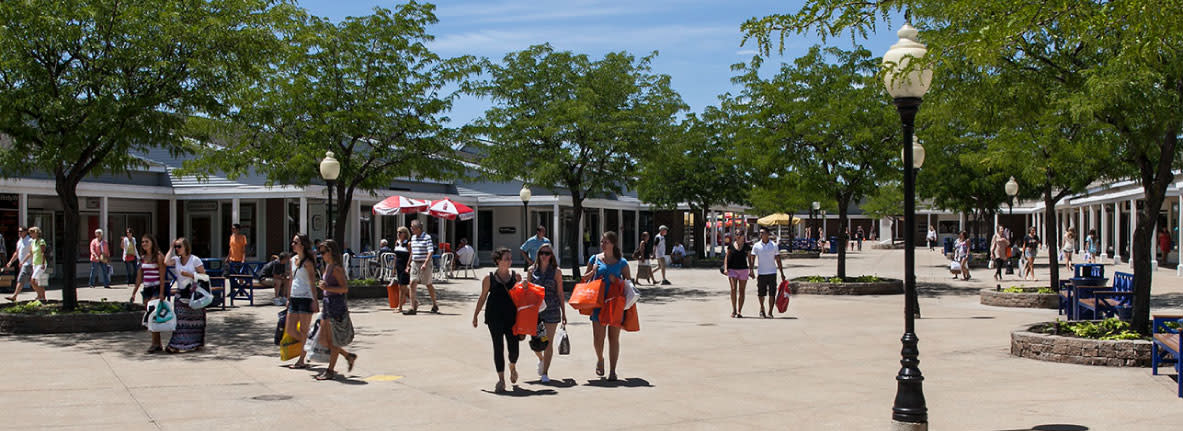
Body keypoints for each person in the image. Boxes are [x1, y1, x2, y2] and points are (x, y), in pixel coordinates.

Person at [581, 231, 632, 381]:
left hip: (616, 305)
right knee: (598, 338)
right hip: (598, 303)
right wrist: (593, 271)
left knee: (613, 338)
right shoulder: (595, 259)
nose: (603, 244)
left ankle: (613, 371)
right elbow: (584, 279)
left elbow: (630, 285)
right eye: (602, 241)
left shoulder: (622, 262)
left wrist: (616, 281)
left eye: (606, 242)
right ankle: (600, 359)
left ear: (613, 244)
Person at [472, 248, 521, 392]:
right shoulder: (489, 278)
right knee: (498, 346)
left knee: (514, 348)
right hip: (494, 317)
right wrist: (475, 315)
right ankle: (501, 379)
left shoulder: (515, 276)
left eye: (510, 258)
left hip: (512, 317)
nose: (509, 261)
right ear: (498, 261)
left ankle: (512, 366)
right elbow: (482, 297)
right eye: (506, 258)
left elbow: (522, 296)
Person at [313, 239, 357, 380]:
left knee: (333, 340)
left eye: (323, 252)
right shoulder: (328, 266)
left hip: (335, 305)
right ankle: (348, 356)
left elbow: (344, 288)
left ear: (330, 252)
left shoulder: (336, 268)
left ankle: (330, 370)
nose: (322, 255)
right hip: (327, 303)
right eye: (320, 252)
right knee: (324, 340)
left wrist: (327, 288)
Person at [529, 243, 566, 383]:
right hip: (536, 311)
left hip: (552, 310)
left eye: (547, 253)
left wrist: (564, 313)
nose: (544, 256)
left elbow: (560, 293)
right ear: (538, 254)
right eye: (542, 253)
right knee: (536, 342)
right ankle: (541, 359)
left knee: (548, 342)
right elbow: (528, 291)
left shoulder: (556, 272)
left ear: (551, 256)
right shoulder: (532, 270)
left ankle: (545, 373)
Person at [165, 237, 206, 353]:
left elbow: (204, 276)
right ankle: (176, 345)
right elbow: (166, 262)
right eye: (176, 246)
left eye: (179, 246)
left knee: (195, 322)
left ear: (186, 247)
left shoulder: (195, 260)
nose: (177, 249)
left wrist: (189, 275)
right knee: (180, 321)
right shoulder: (177, 260)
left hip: (193, 292)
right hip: (180, 292)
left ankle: (195, 343)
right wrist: (171, 247)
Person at [286, 234, 319, 369]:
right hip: (294, 297)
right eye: (292, 242)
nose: (292, 244)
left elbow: (312, 283)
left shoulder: (308, 262)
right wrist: (288, 298)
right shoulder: (292, 259)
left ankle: (301, 360)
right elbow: (290, 280)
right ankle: (310, 345)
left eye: (295, 242)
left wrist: (315, 301)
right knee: (290, 329)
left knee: (304, 330)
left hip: (306, 298)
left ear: (302, 245)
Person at [130, 234, 167, 353]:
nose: (144, 244)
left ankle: (155, 344)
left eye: (146, 241)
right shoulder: (142, 258)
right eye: (142, 242)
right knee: (151, 318)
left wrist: (161, 293)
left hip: (156, 288)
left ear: (152, 243)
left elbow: (162, 277)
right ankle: (157, 343)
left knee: (153, 313)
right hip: (147, 289)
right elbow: (139, 277)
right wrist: (134, 292)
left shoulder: (159, 256)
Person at [750, 228, 785, 319]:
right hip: (761, 273)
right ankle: (762, 309)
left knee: (772, 293)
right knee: (761, 293)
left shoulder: (773, 245)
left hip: (772, 272)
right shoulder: (756, 246)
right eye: (760, 233)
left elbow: (778, 259)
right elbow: (752, 258)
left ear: (767, 234)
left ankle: (770, 312)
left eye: (763, 233)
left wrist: (781, 272)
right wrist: (751, 270)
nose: (761, 234)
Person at [407, 219, 438, 314]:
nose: (411, 230)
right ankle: (412, 307)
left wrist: (425, 263)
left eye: (413, 228)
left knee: (428, 284)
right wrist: (408, 264)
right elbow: (412, 252)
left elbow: (430, 251)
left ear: (418, 228)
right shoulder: (413, 238)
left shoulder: (427, 237)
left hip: (425, 263)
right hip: (415, 263)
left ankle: (434, 304)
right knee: (412, 283)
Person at [724, 229, 753, 318]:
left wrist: (751, 270)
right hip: (732, 269)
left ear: (744, 236)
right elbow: (726, 257)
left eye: (740, 234)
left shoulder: (746, 247)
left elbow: (750, 259)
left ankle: (740, 310)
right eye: (737, 234)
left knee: (742, 291)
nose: (738, 236)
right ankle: (734, 309)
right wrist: (725, 268)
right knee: (733, 289)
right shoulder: (731, 246)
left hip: (743, 270)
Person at [18, 227, 49, 302]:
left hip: (41, 264)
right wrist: (23, 262)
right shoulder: (33, 242)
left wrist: (42, 263)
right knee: (39, 281)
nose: (30, 234)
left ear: (36, 233)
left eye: (31, 233)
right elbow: (30, 253)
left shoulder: (41, 241)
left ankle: (40, 295)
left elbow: (43, 252)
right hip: (35, 263)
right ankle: (42, 297)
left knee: (33, 280)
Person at [386, 227, 412, 313]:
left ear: (405, 234)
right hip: (398, 266)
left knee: (401, 286)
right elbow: (395, 256)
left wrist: (408, 266)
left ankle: (400, 307)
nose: (398, 234)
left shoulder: (408, 244)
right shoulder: (397, 243)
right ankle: (414, 301)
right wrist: (393, 268)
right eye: (397, 232)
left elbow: (411, 255)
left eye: (400, 232)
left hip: (405, 266)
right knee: (402, 286)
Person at [4, 226, 31, 302]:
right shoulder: (19, 241)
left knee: (20, 279)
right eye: (18, 231)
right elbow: (17, 253)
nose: (19, 233)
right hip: (22, 264)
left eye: (21, 231)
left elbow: (32, 252)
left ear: (26, 232)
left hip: (28, 264)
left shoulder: (30, 240)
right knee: (33, 282)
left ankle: (14, 296)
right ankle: (41, 296)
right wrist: (10, 262)